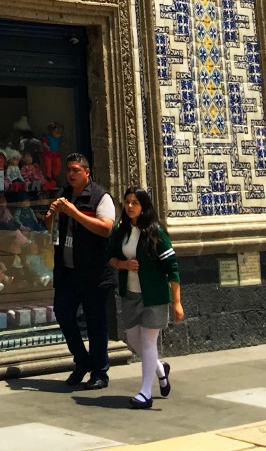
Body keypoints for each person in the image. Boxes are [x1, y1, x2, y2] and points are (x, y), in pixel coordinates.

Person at [46, 151, 116, 390]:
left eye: (76, 170)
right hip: (67, 271)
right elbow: (50, 227)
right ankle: (82, 360)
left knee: (96, 324)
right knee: (63, 313)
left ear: (87, 172)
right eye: (69, 170)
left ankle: (100, 372)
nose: (71, 174)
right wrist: (52, 215)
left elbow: (106, 229)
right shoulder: (64, 193)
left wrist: (74, 212)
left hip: (94, 272)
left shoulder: (100, 196)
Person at [108, 187, 184, 408]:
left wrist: (177, 302)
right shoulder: (120, 230)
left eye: (135, 203)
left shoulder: (156, 233)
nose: (130, 207)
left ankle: (145, 393)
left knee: (149, 341)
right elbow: (110, 256)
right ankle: (160, 369)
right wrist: (123, 264)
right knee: (133, 340)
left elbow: (173, 268)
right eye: (127, 202)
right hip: (131, 294)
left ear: (144, 206)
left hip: (154, 296)